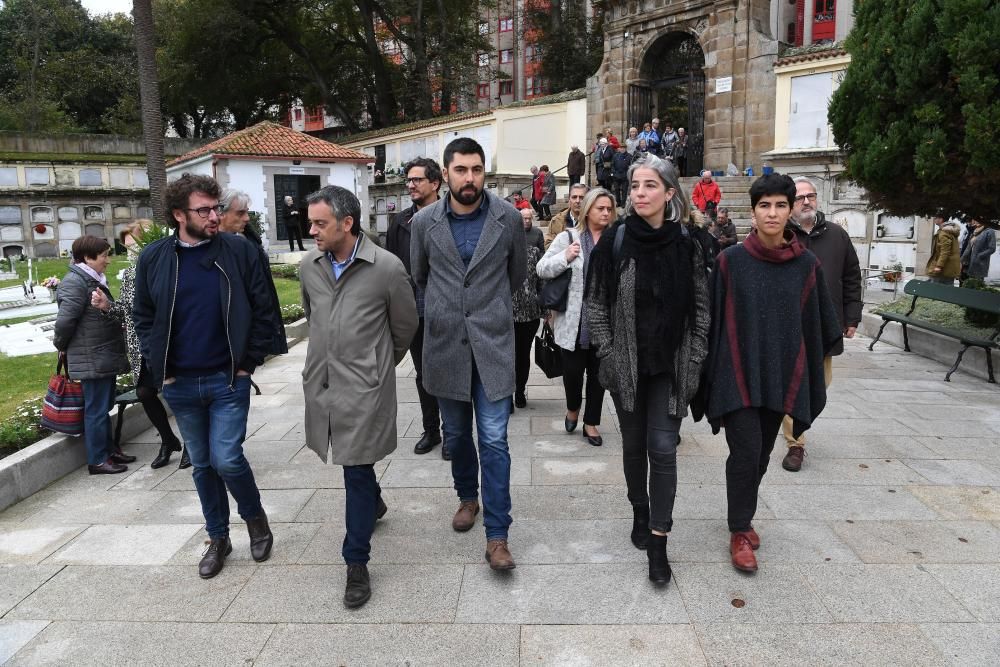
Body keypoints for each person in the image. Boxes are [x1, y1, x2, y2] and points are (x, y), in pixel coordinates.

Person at [133, 173, 280, 579]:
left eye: (216, 208)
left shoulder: (238, 251)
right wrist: (158, 364)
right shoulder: (155, 258)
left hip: (227, 379)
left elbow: (263, 308)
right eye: (205, 210)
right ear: (180, 214)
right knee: (202, 464)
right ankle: (218, 537)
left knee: (227, 458)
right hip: (179, 383)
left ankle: (255, 519)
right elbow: (143, 316)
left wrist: (248, 363)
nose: (214, 216)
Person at [703, 173, 842, 573]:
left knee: (762, 454)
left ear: (791, 209)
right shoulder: (730, 261)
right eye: (765, 205)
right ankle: (739, 528)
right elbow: (713, 322)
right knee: (745, 452)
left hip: (782, 374)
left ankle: (742, 514)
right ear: (753, 211)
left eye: (781, 205)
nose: (773, 213)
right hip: (738, 374)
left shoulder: (806, 265)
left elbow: (819, 324)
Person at [587, 154, 711, 585]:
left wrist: (695, 360)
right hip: (626, 366)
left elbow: (700, 308)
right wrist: (606, 353)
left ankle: (659, 541)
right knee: (633, 447)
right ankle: (639, 509)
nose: (639, 193)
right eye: (635, 185)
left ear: (669, 193)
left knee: (662, 449)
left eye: (649, 185)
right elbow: (596, 304)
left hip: (671, 367)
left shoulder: (688, 244)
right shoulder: (616, 241)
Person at [410, 137, 527, 571]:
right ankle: (467, 496)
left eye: (476, 169)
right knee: (456, 436)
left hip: (493, 346)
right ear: (446, 175)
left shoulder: (507, 218)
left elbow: (515, 275)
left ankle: (498, 535)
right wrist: (448, 313)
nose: (470, 178)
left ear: (484, 172)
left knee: (494, 440)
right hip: (445, 347)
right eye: (461, 170)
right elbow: (420, 276)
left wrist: (487, 311)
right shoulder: (424, 223)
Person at [300, 185, 418, 609]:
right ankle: (375, 501)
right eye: (310, 221)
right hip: (324, 383)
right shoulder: (309, 267)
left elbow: (405, 325)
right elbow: (315, 319)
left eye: (320, 223)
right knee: (357, 466)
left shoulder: (386, 268)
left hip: (365, 387)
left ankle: (356, 562)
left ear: (347, 224)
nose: (311, 229)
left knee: (354, 466)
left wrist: (376, 362)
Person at [781, 176, 862, 472]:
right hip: (790, 325)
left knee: (820, 382)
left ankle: (790, 418)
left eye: (811, 196)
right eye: (800, 197)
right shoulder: (780, 236)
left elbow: (852, 276)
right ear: (790, 203)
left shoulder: (837, 235)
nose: (806, 201)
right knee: (796, 383)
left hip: (825, 324)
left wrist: (852, 315)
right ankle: (796, 443)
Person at [538, 187, 615, 448]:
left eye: (609, 209)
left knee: (598, 377)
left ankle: (590, 422)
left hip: (605, 323)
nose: (605, 213)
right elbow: (542, 269)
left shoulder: (615, 240)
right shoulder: (568, 237)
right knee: (572, 373)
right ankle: (573, 408)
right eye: (600, 208)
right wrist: (565, 257)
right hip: (573, 322)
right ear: (588, 209)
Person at [53, 235, 132, 475]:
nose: (108, 260)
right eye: (104, 255)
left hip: (101, 353)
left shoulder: (90, 279)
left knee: (103, 405)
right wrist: (61, 345)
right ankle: (98, 459)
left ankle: (108, 450)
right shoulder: (75, 283)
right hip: (91, 356)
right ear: (87, 258)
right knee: (96, 409)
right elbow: (65, 321)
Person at [386, 158, 447, 458]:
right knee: (423, 373)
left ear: (434, 183)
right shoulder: (400, 223)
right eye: (408, 180)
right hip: (413, 309)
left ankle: (454, 432)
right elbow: (390, 268)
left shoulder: (451, 218)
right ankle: (431, 430)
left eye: (416, 180)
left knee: (450, 371)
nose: (410, 185)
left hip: (447, 309)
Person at [115, 222, 185, 469]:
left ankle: (191, 443)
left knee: (177, 391)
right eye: (127, 247)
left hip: (163, 340)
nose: (130, 252)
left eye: (133, 246)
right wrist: (106, 306)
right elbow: (125, 309)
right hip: (140, 343)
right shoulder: (129, 273)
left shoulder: (161, 264)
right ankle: (168, 439)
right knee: (145, 393)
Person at [219, 189, 288, 360]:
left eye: (247, 213)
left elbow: (262, 298)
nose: (247, 218)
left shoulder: (250, 244)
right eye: (240, 213)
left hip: (247, 346)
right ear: (221, 213)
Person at [513, 228, 543, 409]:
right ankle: (504, 395)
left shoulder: (534, 253)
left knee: (522, 355)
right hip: (503, 315)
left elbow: (542, 282)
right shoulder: (498, 253)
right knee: (505, 356)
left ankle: (519, 390)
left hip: (529, 314)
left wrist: (545, 310)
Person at [545, 183, 588, 248]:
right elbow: (548, 245)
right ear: (569, 199)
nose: (578, 201)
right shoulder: (556, 220)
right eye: (574, 197)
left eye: (581, 198)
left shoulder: (593, 220)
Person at [925, 216, 962, 284]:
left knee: (936, 290)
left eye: (936, 218)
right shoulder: (950, 231)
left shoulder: (944, 233)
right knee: (947, 290)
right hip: (949, 268)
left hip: (944, 269)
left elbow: (945, 252)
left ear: (941, 219)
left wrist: (939, 266)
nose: (934, 219)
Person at [961, 218, 996, 282]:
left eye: (979, 220)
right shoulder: (974, 232)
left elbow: (992, 248)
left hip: (979, 264)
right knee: (967, 285)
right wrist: (961, 260)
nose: (976, 221)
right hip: (968, 263)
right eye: (976, 220)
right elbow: (968, 248)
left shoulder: (989, 231)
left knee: (977, 286)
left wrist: (979, 256)